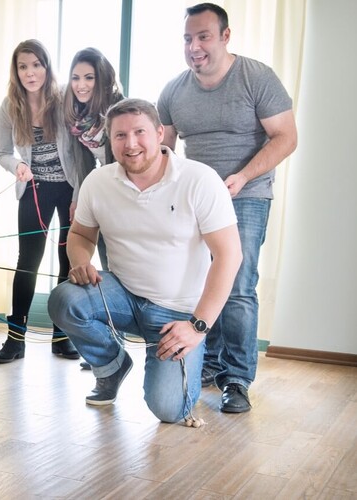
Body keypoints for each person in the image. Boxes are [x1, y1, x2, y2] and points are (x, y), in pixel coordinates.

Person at [48, 99, 242, 423]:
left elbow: (229, 255)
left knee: (168, 409)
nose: (131, 143)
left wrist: (197, 327)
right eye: (120, 135)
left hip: (178, 314)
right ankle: (111, 366)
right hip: (121, 296)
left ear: (160, 133)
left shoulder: (199, 179)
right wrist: (80, 260)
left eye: (140, 132)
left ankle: (190, 351)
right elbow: (81, 235)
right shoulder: (98, 182)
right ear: (110, 141)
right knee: (65, 299)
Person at [157, 3, 298, 413]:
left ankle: (236, 378)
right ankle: (211, 363)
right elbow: (163, 149)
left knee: (237, 285)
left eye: (203, 37)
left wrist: (242, 177)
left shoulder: (257, 78)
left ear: (225, 36)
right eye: (188, 38)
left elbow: (286, 137)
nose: (194, 46)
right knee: (201, 281)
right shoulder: (173, 91)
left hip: (247, 196)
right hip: (195, 200)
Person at [0, 39, 79, 363]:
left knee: (68, 262)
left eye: (36, 65)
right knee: (28, 261)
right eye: (23, 66)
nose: (30, 73)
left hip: (70, 189)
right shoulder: (9, 105)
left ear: (47, 67)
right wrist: (18, 166)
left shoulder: (63, 100)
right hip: (35, 188)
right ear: (16, 71)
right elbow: (3, 152)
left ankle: (62, 336)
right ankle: (15, 339)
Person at [64, 47, 124, 274]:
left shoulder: (118, 110)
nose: (81, 85)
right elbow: (85, 165)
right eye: (75, 78)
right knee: (101, 251)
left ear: (102, 80)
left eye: (89, 78)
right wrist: (78, 198)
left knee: (120, 259)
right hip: (103, 189)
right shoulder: (78, 117)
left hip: (123, 190)